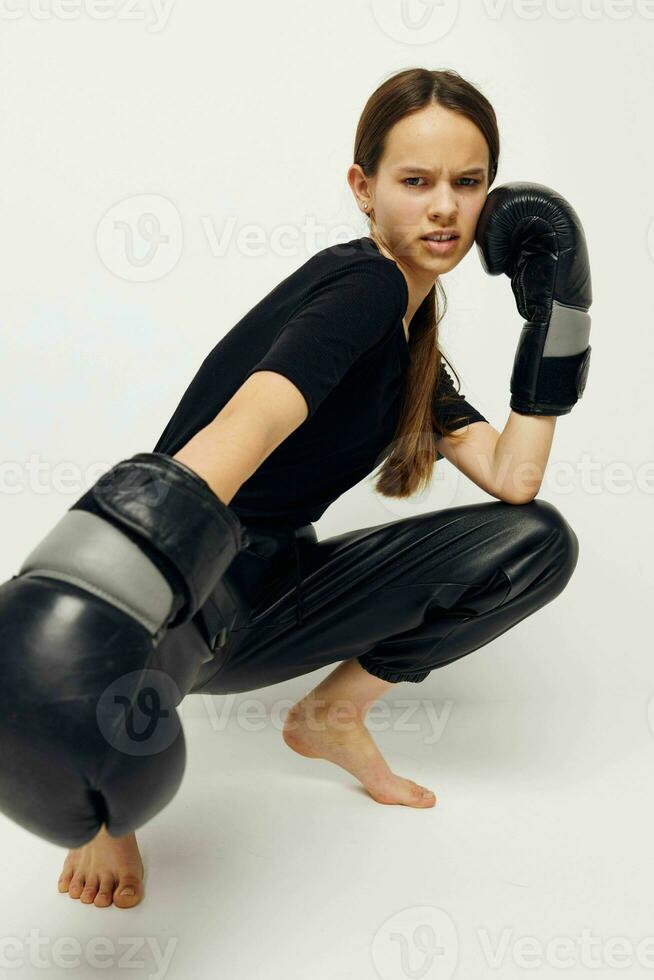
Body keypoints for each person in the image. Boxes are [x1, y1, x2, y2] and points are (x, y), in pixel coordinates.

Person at [57, 67, 590, 907]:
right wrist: (126, 580)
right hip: (189, 590)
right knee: (112, 679)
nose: (445, 208)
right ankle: (100, 800)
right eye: (415, 182)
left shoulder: (415, 344)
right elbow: (252, 420)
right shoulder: (363, 287)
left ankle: (332, 717)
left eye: (469, 182)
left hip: (273, 592)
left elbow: (513, 479)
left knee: (537, 544)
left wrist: (559, 318)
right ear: (363, 187)